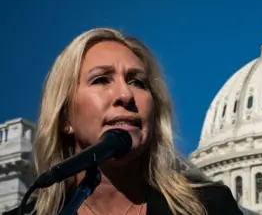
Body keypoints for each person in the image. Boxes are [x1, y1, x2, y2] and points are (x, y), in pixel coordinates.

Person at [5, 28, 244, 215]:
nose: (126, 95)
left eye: (137, 82)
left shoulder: (210, 208)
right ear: (65, 116)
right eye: (101, 80)